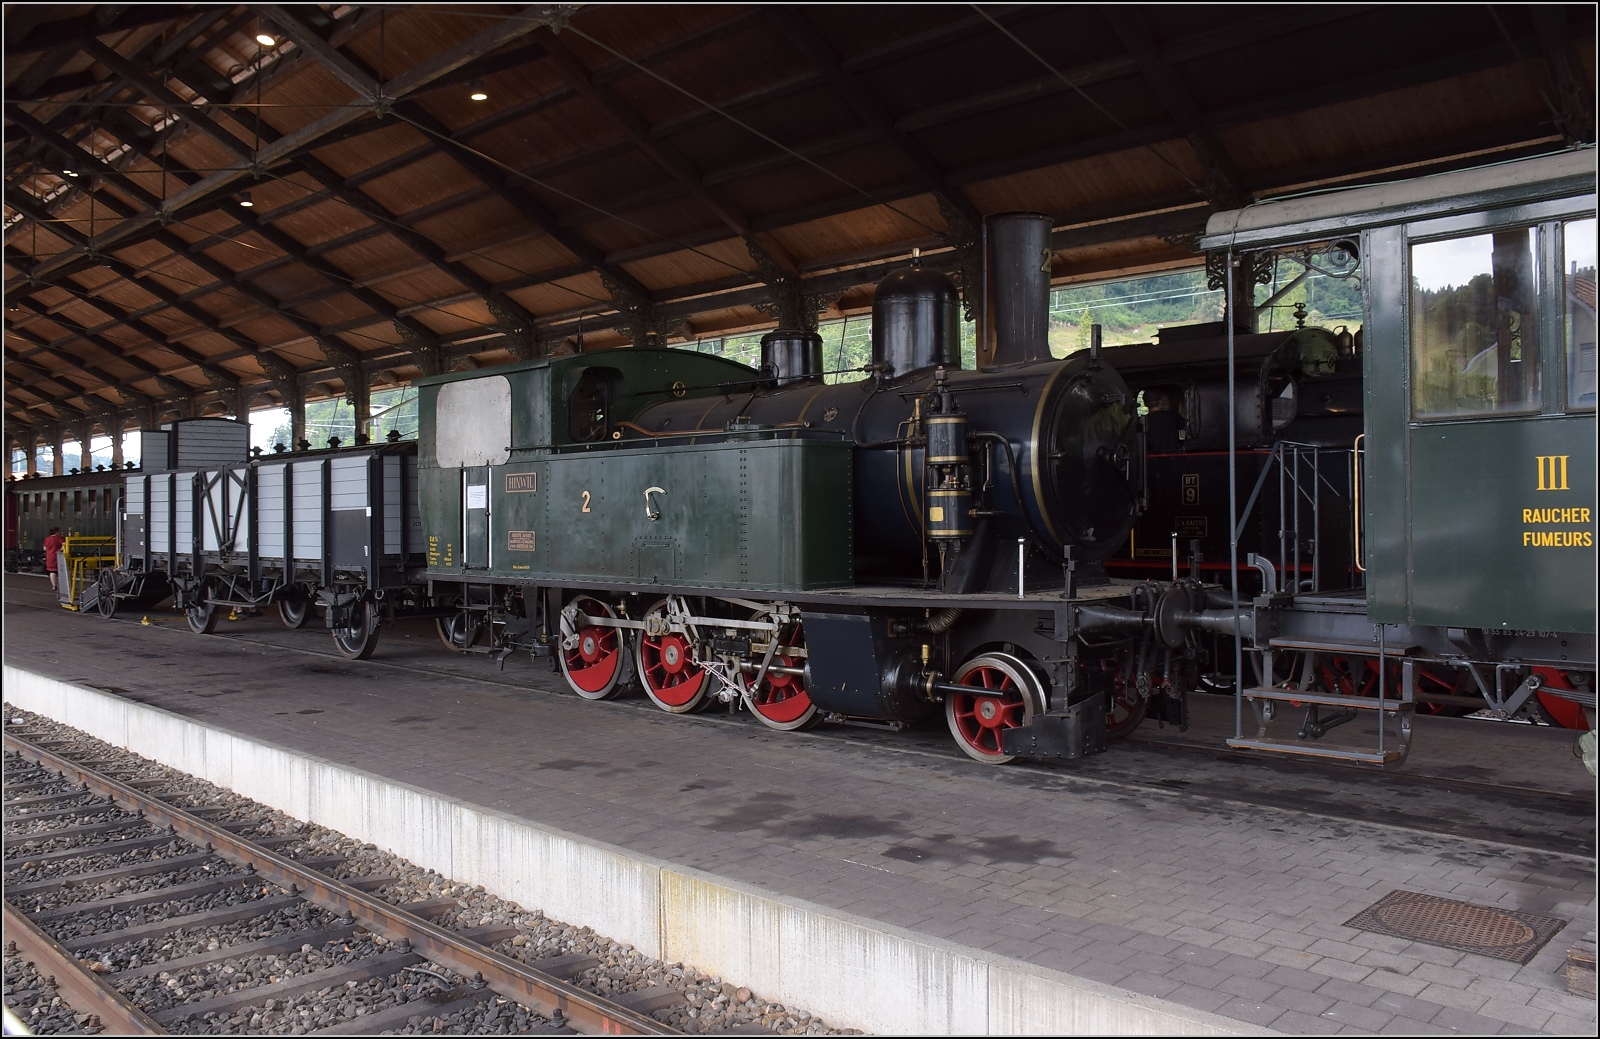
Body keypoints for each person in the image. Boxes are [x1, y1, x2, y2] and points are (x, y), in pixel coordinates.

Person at [1144, 388, 1185, 453]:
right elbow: (1184, 426)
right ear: (1160, 401)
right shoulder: (1173, 416)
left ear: (1145, 404)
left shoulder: (1141, 421)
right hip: (1173, 457)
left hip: (1150, 459)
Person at [42, 526, 65, 592]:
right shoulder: (59, 538)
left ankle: (54, 585)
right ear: (57, 532)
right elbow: (64, 545)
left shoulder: (47, 539)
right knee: (60, 570)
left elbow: (44, 548)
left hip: (49, 556)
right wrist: (60, 550)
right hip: (57, 556)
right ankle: (63, 586)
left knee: (52, 571)